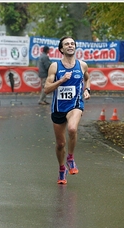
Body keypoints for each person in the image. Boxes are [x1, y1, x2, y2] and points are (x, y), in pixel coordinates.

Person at [44, 36, 91, 184]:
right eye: (67, 44)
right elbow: (46, 89)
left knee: (72, 128)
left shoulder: (82, 65)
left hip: (75, 104)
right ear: (61, 49)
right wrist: (61, 80)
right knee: (60, 144)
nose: (70, 46)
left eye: (72, 43)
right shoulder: (55, 67)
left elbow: (87, 78)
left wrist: (87, 89)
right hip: (59, 107)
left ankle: (70, 158)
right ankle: (61, 168)